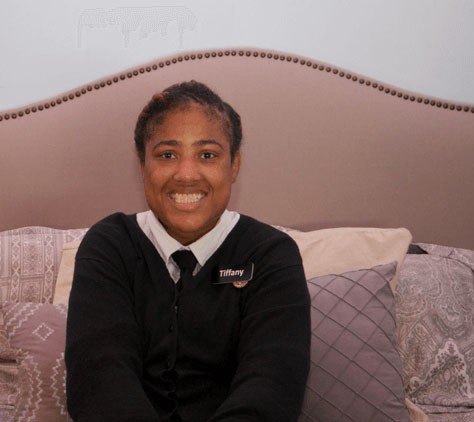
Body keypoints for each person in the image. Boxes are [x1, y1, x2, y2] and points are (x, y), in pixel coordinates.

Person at [65, 80, 311, 421]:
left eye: (207, 155)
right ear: (143, 165)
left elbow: (272, 385)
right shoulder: (110, 246)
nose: (186, 174)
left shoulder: (270, 255)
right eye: (167, 155)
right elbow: (99, 378)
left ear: (234, 164)